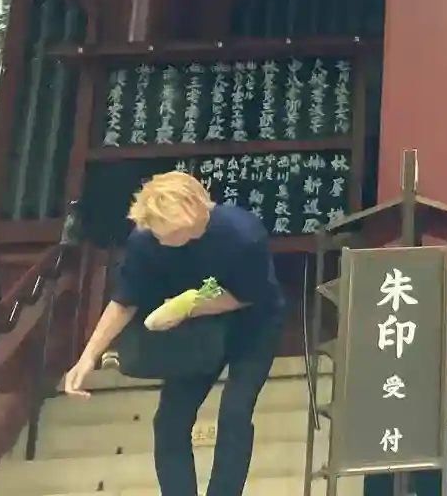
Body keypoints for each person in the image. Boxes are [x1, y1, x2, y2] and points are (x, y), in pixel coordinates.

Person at [62, 172, 285, 496]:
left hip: (254, 324)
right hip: (197, 332)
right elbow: (125, 300)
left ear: (193, 214)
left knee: (235, 413)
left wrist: (186, 307)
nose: (159, 239)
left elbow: (247, 295)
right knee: (169, 421)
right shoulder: (146, 239)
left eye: (167, 231)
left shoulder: (242, 234)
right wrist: (87, 357)